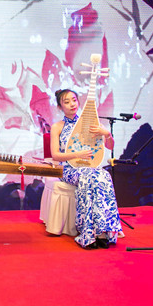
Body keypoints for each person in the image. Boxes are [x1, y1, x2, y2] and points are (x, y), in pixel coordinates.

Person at [49, 89, 122, 249]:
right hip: (68, 169)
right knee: (89, 177)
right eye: (66, 102)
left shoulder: (90, 123)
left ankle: (103, 232)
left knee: (104, 175)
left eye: (74, 100)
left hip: (89, 168)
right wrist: (77, 154)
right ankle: (87, 233)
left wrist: (106, 134)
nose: (72, 104)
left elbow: (109, 146)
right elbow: (55, 155)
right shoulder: (57, 127)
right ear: (60, 107)